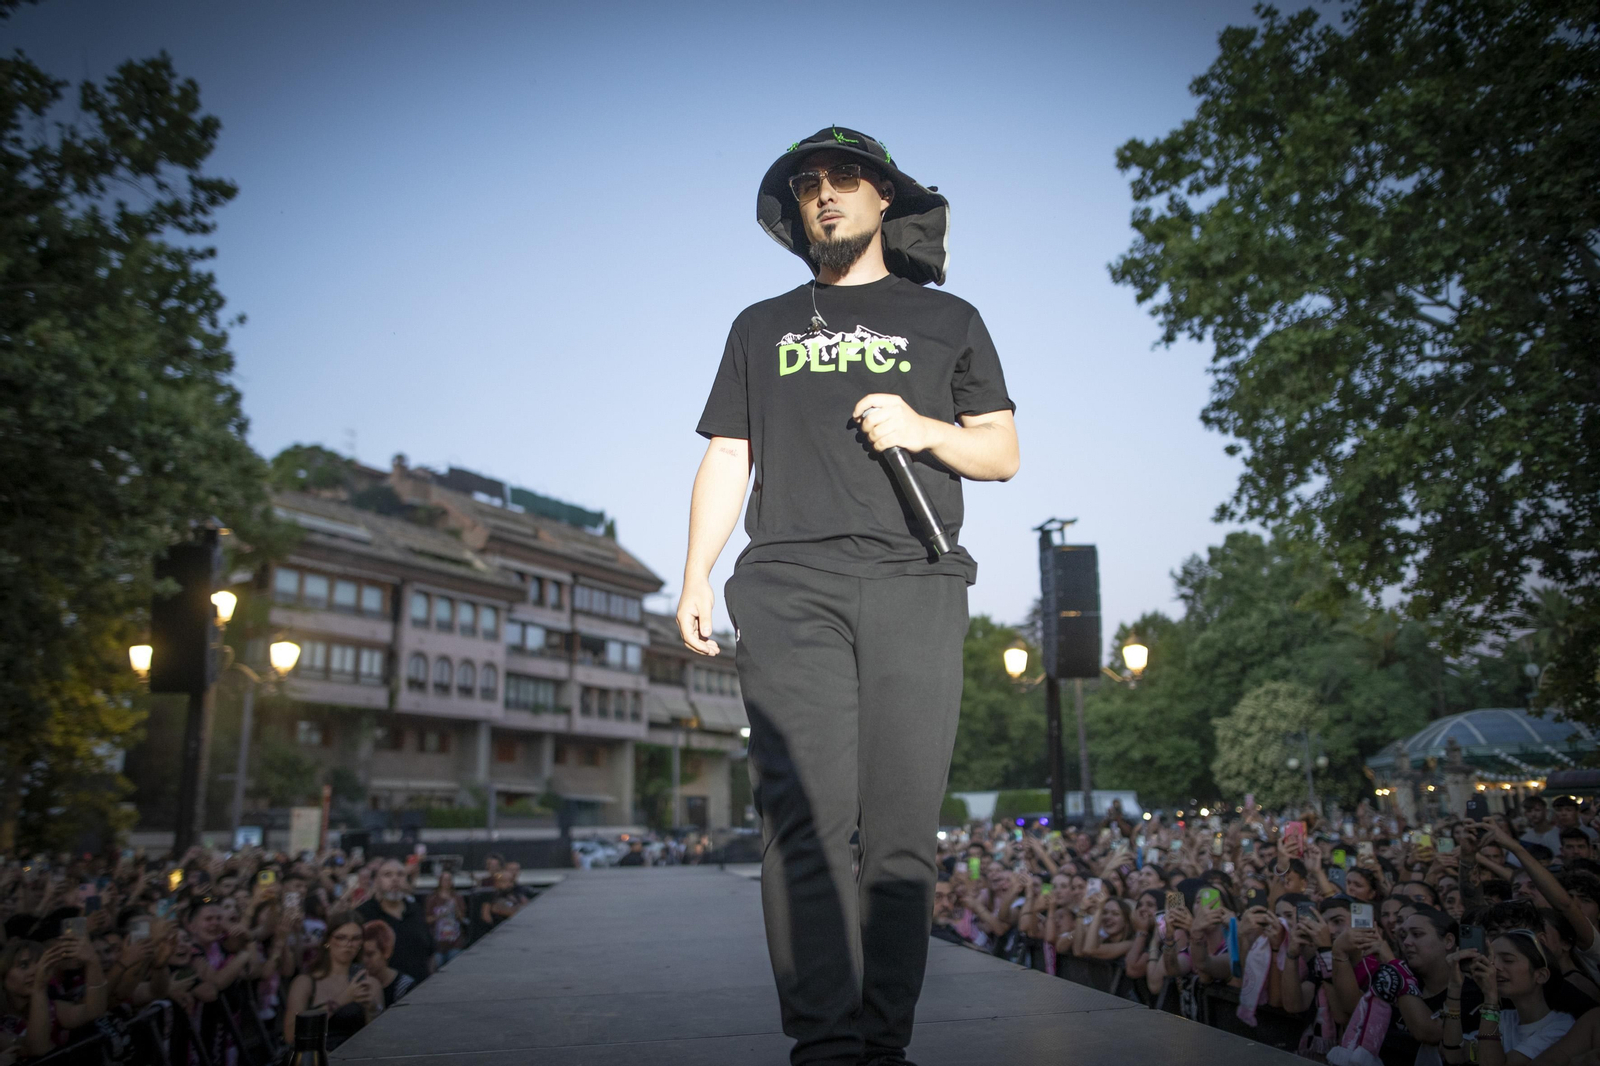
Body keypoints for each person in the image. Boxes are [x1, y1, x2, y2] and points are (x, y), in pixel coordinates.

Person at [677, 125, 1017, 1066]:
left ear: (883, 200)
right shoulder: (759, 325)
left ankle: (885, 1042)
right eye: (808, 186)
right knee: (804, 822)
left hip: (916, 581)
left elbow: (1002, 452)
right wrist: (697, 571)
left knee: (903, 827)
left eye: (844, 181)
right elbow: (728, 453)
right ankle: (826, 1044)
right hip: (788, 585)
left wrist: (921, 426)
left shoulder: (949, 319)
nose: (824, 195)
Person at [1441, 931, 1574, 1063]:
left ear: (1541, 975)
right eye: (1492, 960)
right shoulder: (1504, 1020)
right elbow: (1456, 1055)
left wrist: (1490, 997)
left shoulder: (1561, 1028)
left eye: (1508, 960)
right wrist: (1454, 987)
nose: (1495, 967)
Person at [282, 915, 382, 1051]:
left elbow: (379, 1038)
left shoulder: (369, 982)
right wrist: (340, 1001)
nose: (348, 944)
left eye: (355, 938)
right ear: (328, 940)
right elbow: (290, 1035)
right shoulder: (305, 982)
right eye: (341, 937)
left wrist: (372, 1009)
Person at [355, 859, 433, 985]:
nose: (395, 879)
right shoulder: (363, 914)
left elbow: (429, 952)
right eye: (387, 874)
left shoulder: (416, 910)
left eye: (400, 874)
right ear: (377, 881)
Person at [360, 921, 416, 1008]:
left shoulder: (404, 987)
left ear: (386, 952)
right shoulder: (357, 983)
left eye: (370, 954)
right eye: (361, 954)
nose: (364, 960)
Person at [423, 867, 467, 970]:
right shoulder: (432, 899)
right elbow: (426, 920)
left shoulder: (458, 897)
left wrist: (455, 907)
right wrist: (439, 916)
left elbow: (462, 919)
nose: (447, 882)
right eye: (444, 879)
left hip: (455, 942)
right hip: (437, 943)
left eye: (449, 879)